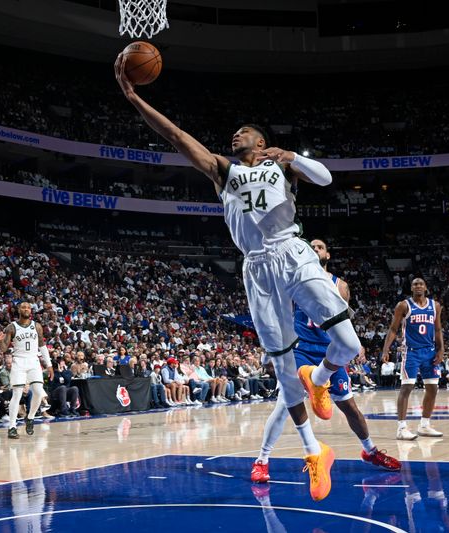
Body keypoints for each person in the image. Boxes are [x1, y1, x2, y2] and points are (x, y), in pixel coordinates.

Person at [115, 59, 361, 501]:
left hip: (294, 251)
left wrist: (291, 156)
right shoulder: (223, 171)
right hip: (257, 268)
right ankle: (313, 451)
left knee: (350, 346)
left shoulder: (280, 166)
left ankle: (321, 378)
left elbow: (326, 177)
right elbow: (175, 136)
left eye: (244, 132)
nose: (236, 136)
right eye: (234, 134)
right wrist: (134, 97)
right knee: (284, 369)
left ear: (262, 141)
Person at [252, 239, 400, 485]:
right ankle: (261, 460)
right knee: (284, 405)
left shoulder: (340, 285)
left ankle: (370, 451)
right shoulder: (293, 280)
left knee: (350, 407)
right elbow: (283, 317)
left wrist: (357, 343)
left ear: (328, 255)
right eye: (311, 246)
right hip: (301, 349)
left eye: (319, 247)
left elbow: (345, 322)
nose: (314, 249)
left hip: (330, 351)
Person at [382, 277, 445, 440]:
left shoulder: (435, 306)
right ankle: (401, 428)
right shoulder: (403, 305)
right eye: (415, 284)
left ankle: (424, 425)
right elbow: (393, 329)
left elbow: (437, 330)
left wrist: (441, 350)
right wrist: (386, 349)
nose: (418, 286)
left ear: (426, 288)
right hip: (411, 352)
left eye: (421, 284)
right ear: (411, 288)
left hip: (429, 351)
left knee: (432, 388)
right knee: (406, 388)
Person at [0, 302, 54, 439]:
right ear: (19, 310)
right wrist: (0, 340)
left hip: (34, 361)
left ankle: (30, 417)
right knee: (16, 394)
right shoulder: (12, 327)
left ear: (31, 310)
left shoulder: (37, 326)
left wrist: (49, 365)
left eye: (28, 307)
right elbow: (3, 349)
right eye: (23, 307)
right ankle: (12, 427)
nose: (26, 309)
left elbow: (42, 345)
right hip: (19, 361)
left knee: (39, 392)